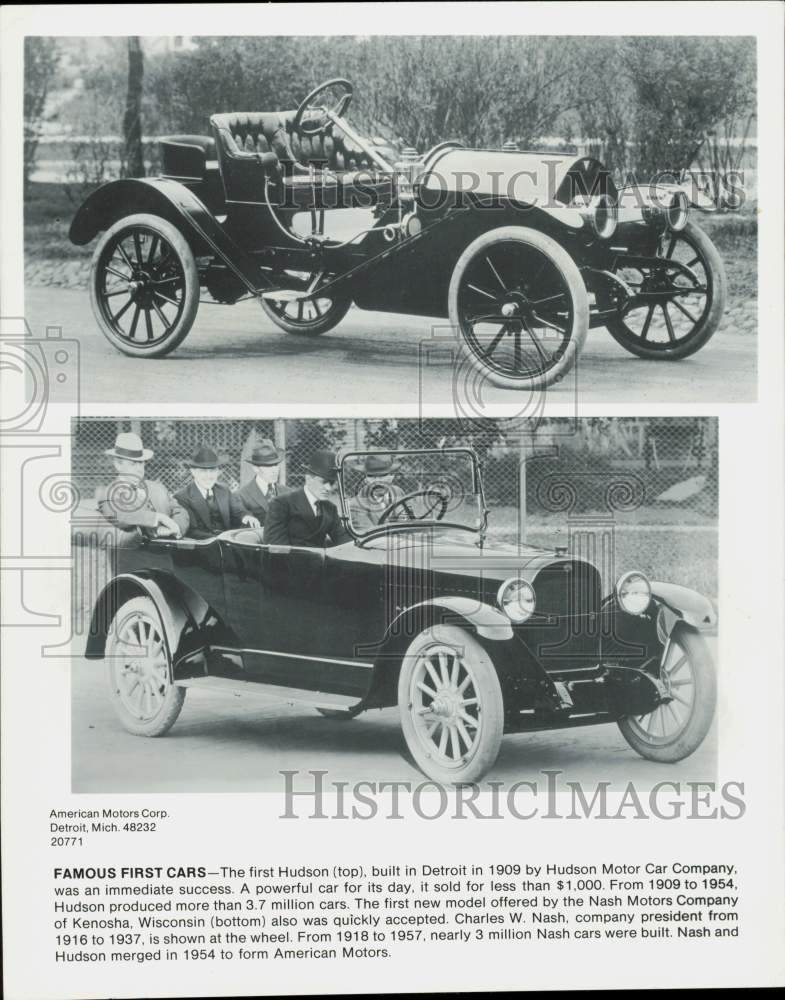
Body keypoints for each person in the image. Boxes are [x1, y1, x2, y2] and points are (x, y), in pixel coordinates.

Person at [96, 431, 189, 546]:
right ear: (118, 465)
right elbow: (120, 515)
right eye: (133, 464)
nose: (139, 469)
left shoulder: (158, 488)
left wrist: (175, 527)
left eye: (141, 463)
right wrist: (157, 518)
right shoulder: (109, 494)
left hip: (168, 558)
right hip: (135, 561)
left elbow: (180, 511)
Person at [264, 450, 351, 548]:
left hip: (322, 561)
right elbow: (275, 546)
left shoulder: (330, 509)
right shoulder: (281, 504)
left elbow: (343, 540)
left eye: (331, 483)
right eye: (323, 482)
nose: (328, 488)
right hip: (290, 561)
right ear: (309, 479)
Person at [174, 445, 258, 539]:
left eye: (212, 470)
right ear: (193, 472)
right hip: (203, 546)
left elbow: (239, 511)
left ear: (218, 471)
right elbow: (192, 531)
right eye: (203, 471)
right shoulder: (182, 497)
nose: (209, 476)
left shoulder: (224, 491)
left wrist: (246, 517)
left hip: (227, 542)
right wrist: (219, 539)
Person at [232, 439, 288, 527]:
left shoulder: (287, 492)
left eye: (276, 465)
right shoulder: (241, 496)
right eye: (268, 466)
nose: (274, 470)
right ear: (255, 468)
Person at [349, 453, 405, 531]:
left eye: (382, 475)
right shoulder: (356, 505)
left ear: (392, 476)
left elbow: (408, 523)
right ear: (365, 478)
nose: (377, 481)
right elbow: (370, 537)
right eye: (372, 476)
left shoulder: (398, 492)